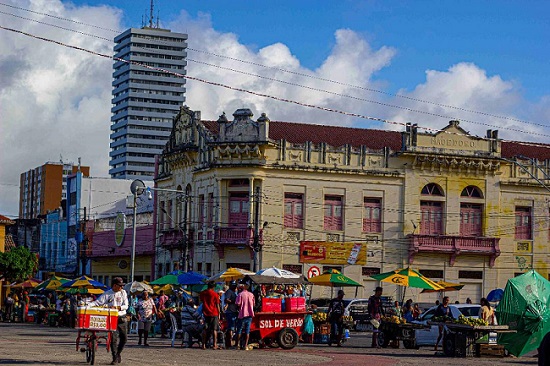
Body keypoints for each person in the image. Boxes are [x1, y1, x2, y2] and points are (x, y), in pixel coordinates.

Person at [87, 277, 129, 365]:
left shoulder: (123, 293)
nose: (121, 287)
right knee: (113, 339)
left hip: (122, 317)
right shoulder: (107, 294)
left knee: (124, 338)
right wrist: (88, 305)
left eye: (122, 286)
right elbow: (98, 303)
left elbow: (126, 305)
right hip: (112, 318)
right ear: (114, 285)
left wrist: (118, 307)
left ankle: (118, 353)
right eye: (120, 285)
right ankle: (114, 357)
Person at [199, 281, 221, 350]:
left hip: (205, 313)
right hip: (214, 313)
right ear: (213, 287)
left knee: (205, 329)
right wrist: (219, 313)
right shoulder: (215, 294)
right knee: (214, 329)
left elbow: (201, 301)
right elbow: (217, 305)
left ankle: (203, 344)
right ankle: (214, 345)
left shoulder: (203, 293)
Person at [235, 281, 255, 350]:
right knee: (247, 331)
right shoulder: (251, 295)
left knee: (239, 330)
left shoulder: (240, 295)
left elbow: (238, 304)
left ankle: (237, 345)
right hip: (250, 314)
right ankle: (245, 345)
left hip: (242, 314)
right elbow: (254, 304)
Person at [224, 281, 239, 347]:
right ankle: (229, 343)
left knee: (232, 328)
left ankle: (230, 343)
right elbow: (226, 300)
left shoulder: (233, 292)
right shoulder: (229, 292)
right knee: (231, 328)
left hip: (233, 311)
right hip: (230, 312)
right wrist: (234, 302)